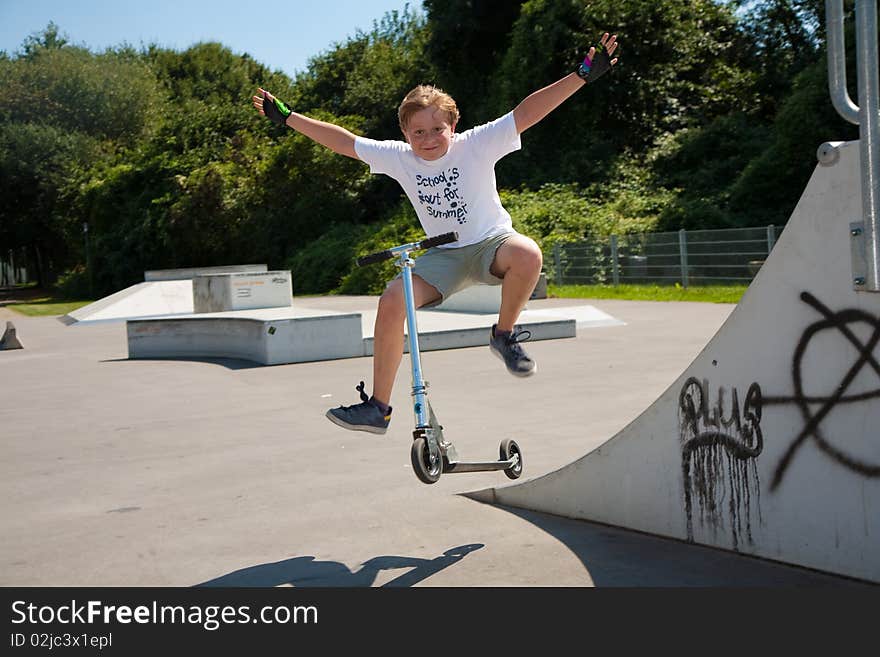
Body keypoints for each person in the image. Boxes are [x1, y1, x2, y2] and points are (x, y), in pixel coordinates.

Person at [253, 33, 619, 435]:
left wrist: (580, 77)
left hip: (492, 245)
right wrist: (289, 119)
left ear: (453, 125)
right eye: (417, 133)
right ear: (405, 134)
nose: (428, 141)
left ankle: (503, 335)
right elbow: (344, 141)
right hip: (443, 255)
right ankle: (379, 408)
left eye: (436, 130)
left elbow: (527, 112)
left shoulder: (476, 144)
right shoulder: (398, 157)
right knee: (392, 300)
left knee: (528, 254)